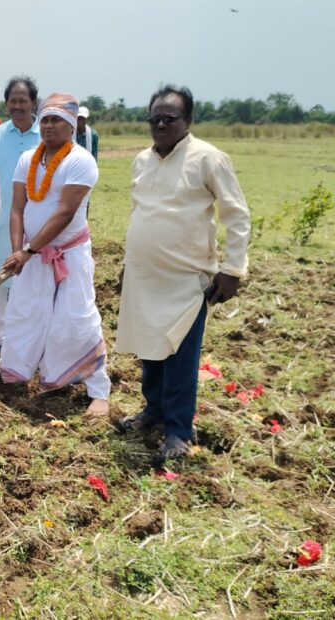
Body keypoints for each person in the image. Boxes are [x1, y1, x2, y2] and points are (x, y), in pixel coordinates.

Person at [115, 85, 251, 460]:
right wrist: (128, 265)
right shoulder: (141, 161)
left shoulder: (208, 158)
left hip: (187, 279)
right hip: (146, 275)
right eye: (155, 118)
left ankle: (178, 429)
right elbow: (139, 214)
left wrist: (233, 269)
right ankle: (154, 410)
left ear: (187, 121)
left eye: (169, 118)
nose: (161, 124)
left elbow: (237, 215)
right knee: (151, 346)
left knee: (180, 354)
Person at [0, 93, 110, 416]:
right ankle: (16, 374)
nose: (48, 126)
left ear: (72, 126)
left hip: (68, 256)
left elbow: (64, 213)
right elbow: (17, 209)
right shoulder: (28, 160)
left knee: (75, 319)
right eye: (44, 119)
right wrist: (17, 250)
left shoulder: (80, 161)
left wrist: (29, 250)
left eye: (56, 120)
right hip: (31, 256)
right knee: (24, 313)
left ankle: (98, 390)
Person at [0, 76, 42, 363]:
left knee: (32, 283)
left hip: (37, 221)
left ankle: (28, 341)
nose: (17, 106)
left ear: (33, 103)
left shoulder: (46, 134)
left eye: (22, 101)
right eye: (12, 101)